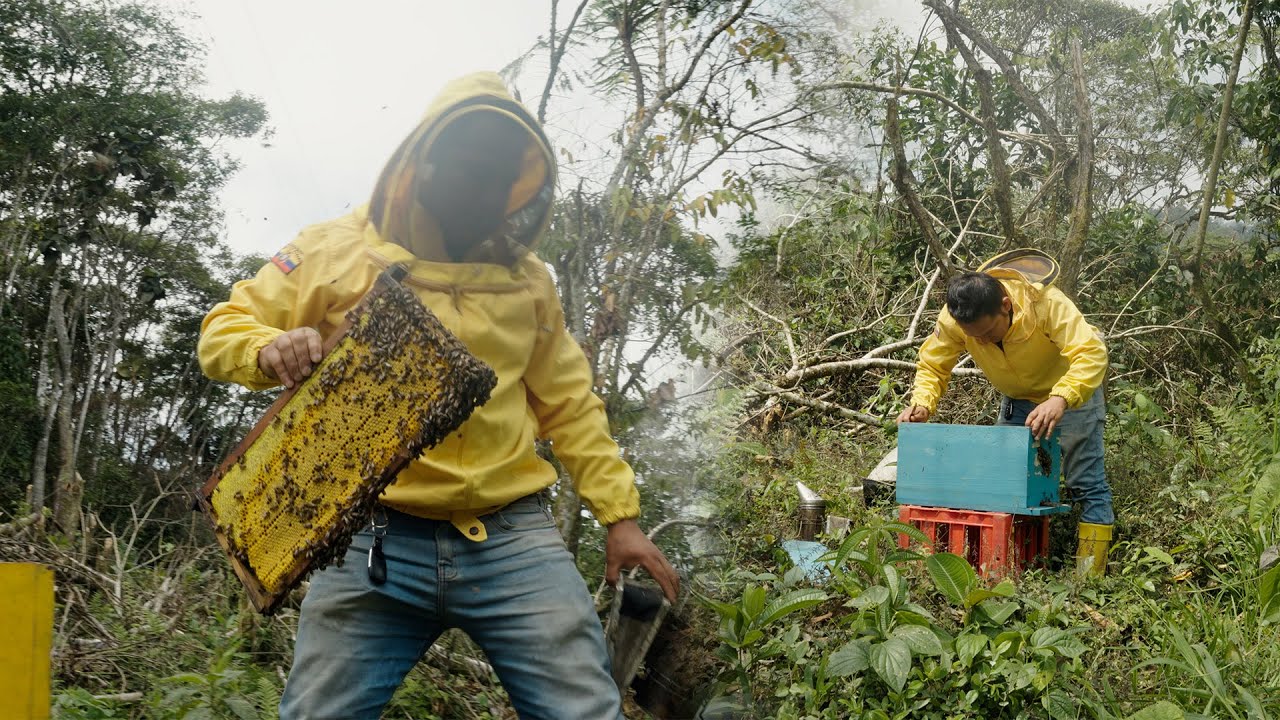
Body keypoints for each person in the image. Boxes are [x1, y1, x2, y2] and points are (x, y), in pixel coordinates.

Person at [197, 71, 679, 720]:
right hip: (373, 542)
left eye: (498, 178)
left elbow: (570, 403)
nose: (482, 192)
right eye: (467, 169)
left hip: (513, 541)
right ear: (423, 166)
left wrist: (619, 517)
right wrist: (267, 349)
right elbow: (224, 329)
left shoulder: (530, 282)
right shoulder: (334, 249)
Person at [895, 254, 1113, 576]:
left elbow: (1091, 352)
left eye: (988, 332)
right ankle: (1009, 572)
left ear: (1006, 305)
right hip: (1018, 401)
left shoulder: (1046, 304)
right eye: (975, 337)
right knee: (1005, 487)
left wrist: (1061, 397)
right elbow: (933, 364)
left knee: (1086, 484)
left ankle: (1089, 579)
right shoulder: (956, 318)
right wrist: (923, 403)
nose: (981, 341)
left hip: (1072, 397)